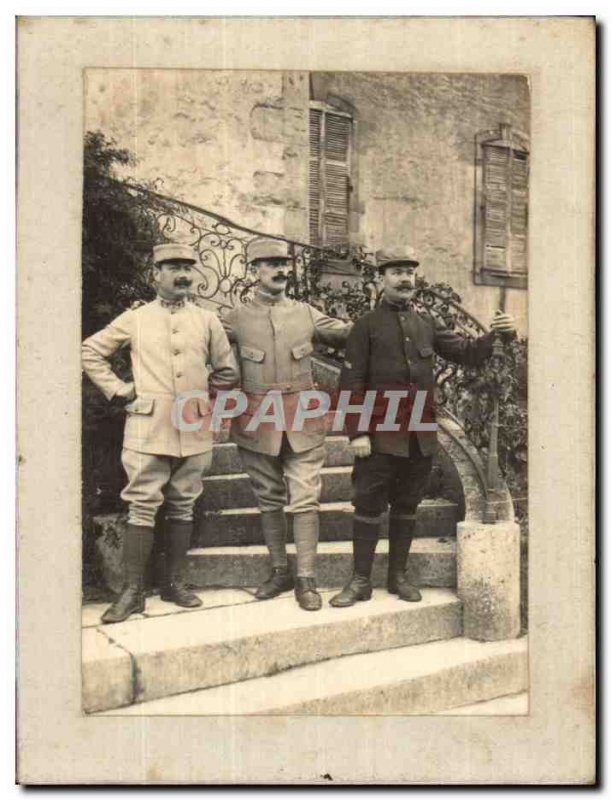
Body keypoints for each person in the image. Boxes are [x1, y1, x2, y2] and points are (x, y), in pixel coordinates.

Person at [329, 245, 516, 608]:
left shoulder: (427, 324)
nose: (405, 279)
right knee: (367, 506)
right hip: (378, 434)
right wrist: (358, 432)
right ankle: (360, 580)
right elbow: (351, 384)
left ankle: (398, 577)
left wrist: (498, 334)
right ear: (382, 278)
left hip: (418, 434)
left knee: (407, 506)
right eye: (396, 272)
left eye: (409, 272)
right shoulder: (366, 326)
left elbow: (466, 352)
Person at [82, 243, 239, 623]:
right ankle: (132, 592)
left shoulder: (207, 320)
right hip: (147, 425)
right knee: (142, 502)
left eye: (187, 268)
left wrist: (206, 402)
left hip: (193, 426)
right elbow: (90, 351)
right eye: (172, 268)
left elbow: (227, 371)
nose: (182, 275)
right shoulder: (135, 318)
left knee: (184, 501)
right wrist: (120, 390)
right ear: (155, 274)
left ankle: (175, 583)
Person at [222, 237, 352, 611]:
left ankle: (306, 579)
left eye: (284, 264)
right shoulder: (235, 318)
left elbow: (352, 333)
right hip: (256, 419)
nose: (281, 270)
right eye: (271, 264)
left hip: (303, 420)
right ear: (254, 270)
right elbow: (194, 335)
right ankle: (280, 570)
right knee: (268, 498)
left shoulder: (306, 313)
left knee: (305, 496)